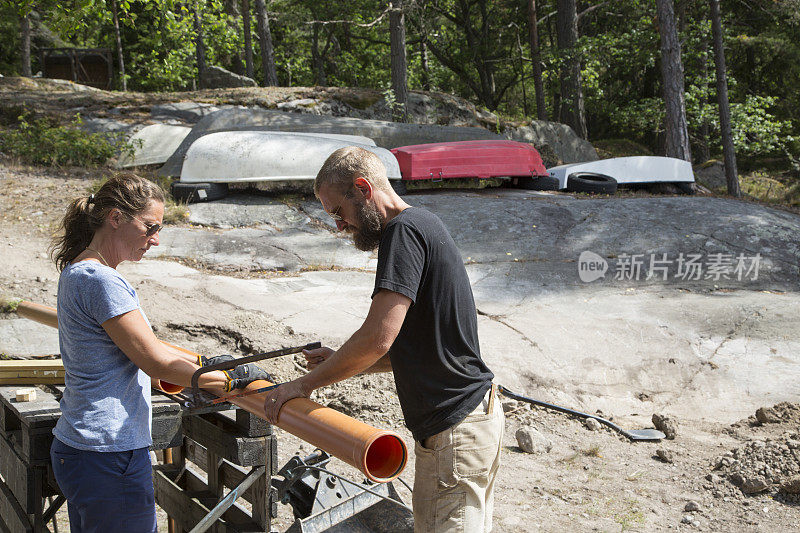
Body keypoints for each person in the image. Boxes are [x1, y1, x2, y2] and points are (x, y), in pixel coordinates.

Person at [263, 147, 504, 532]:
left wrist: (303, 385)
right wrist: (337, 363)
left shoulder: (403, 232)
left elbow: (378, 337)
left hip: (455, 432)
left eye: (337, 212)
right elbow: (406, 349)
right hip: (466, 426)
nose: (339, 226)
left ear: (363, 188)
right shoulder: (422, 224)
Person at [49, 173, 267, 533]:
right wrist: (229, 381)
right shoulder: (103, 280)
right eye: (150, 227)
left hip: (82, 447)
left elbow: (143, 348)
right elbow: (155, 361)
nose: (156, 239)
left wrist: (200, 366)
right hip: (108, 451)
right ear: (116, 218)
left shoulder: (78, 271)